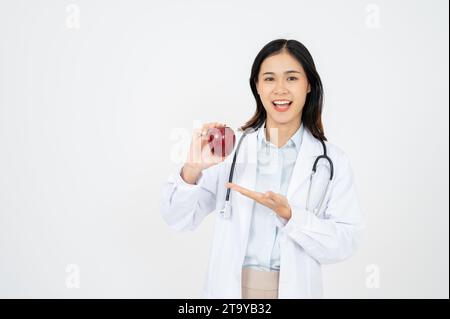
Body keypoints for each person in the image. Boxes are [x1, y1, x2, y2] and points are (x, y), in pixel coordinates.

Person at [160, 39, 365, 299]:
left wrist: (292, 216)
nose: (280, 89)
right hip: (231, 290)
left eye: (291, 78)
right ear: (257, 86)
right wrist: (192, 168)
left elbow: (346, 242)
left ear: (309, 85)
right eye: (269, 79)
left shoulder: (332, 161)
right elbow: (178, 219)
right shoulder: (231, 153)